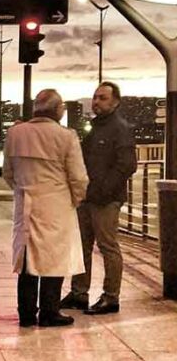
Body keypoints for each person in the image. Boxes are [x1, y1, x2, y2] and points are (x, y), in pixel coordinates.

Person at [3, 90, 88, 327]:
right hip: (56, 206)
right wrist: (75, 199)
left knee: (27, 260)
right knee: (54, 259)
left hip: (26, 204)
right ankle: (50, 312)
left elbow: (8, 173)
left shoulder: (15, 133)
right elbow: (78, 178)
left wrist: (22, 189)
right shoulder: (66, 137)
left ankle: (26, 313)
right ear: (57, 110)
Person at [61, 81, 137, 315]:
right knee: (82, 246)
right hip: (88, 198)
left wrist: (103, 190)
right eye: (95, 97)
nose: (96, 102)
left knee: (108, 247)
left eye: (102, 98)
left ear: (115, 102)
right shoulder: (95, 128)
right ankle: (79, 293)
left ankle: (111, 297)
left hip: (106, 199)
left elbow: (127, 165)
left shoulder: (119, 128)